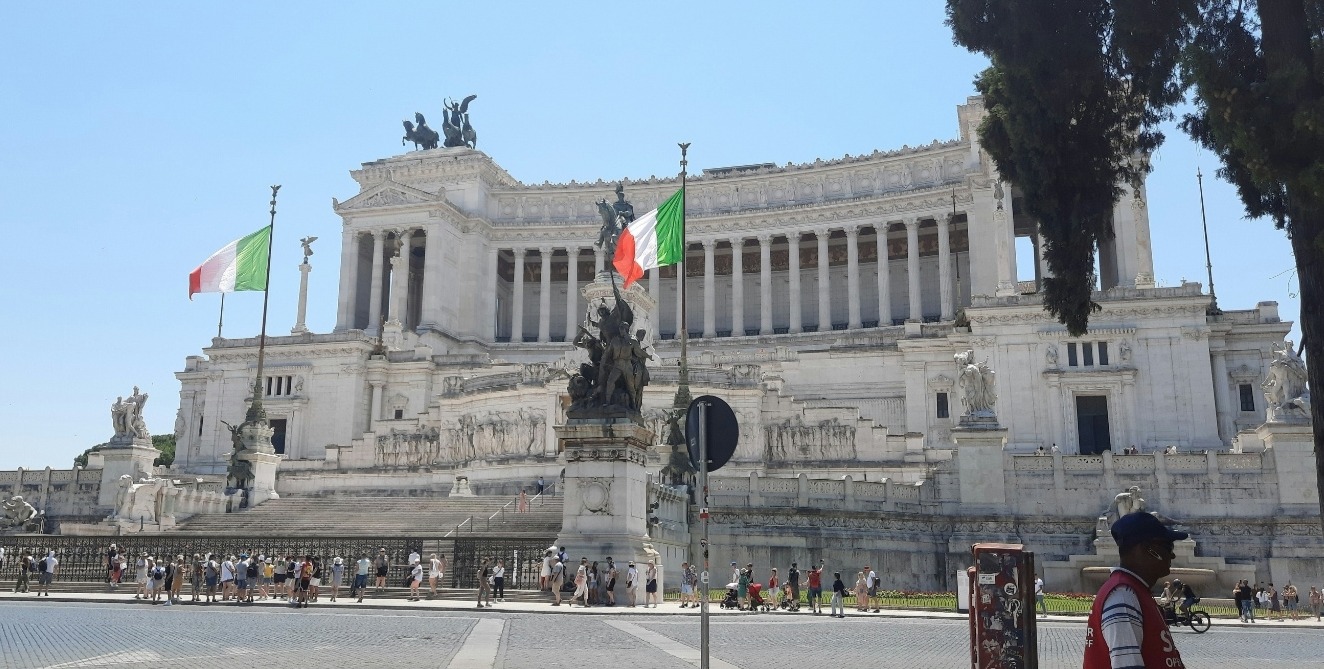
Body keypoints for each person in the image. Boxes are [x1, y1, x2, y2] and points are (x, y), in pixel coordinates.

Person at [1082, 511, 1188, 669]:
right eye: (1168, 546)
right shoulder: (1123, 595)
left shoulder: (1135, 591)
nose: (1172, 555)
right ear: (1147, 549)